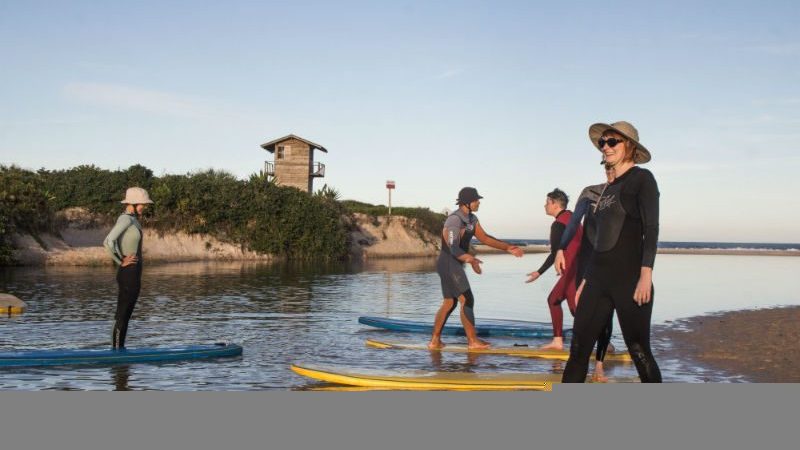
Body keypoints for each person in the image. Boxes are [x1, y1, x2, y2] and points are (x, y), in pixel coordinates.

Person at [562, 121, 662, 383]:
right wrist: (585, 279)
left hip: (630, 280)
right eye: (602, 142)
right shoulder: (606, 188)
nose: (605, 147)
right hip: (597, 280)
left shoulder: (642, 179)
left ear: (629, 146)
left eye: (612, 142)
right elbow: (598, 239)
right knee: (577, 350)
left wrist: (646, 274)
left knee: (639, 351)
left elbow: (651, 229)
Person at [429, 187, 525, 350]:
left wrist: (507, 247)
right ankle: (472, 341)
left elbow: (485, 238)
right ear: (467, 202)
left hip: (454, 264)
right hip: (448, 263)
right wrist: (470, 258)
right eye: (476, 200)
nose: (478, 202)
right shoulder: (454, 220)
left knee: (449, 303)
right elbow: (453, 247)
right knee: (467, 299)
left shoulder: (472, 219)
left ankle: (435, 341)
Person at [555, 163, 616, 381]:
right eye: (607, 168)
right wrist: (561, 248)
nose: (611, 172)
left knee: (608, 315)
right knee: (583, 315)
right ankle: (576, 366)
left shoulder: (624, 194)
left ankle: (599, 366)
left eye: (614, 169)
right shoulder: (590, 192)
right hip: (588, 262)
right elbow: (573, 223)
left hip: (611, 264)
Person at [525, 188, 582, 350]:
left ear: (555, 204)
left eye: (547, 202)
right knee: (558, 302)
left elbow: (555, 253)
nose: (545, 206)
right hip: (581, 270)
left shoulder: (558, 224)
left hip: (571, 272)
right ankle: (559, 340)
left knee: (574, 309)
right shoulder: (574, 219)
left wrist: (539, 272)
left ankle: (603, 343)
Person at [103, 187, 153, 349]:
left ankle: (120, 349)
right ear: (132, 203)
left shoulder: (133, 219)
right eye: (142, 204)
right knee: (122, 313)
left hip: (135, 272)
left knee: (127, 313)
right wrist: (120, 261)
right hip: (128, 272)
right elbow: (108, 241)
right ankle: (116, 351)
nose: (144, 207)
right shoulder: (125, 219)